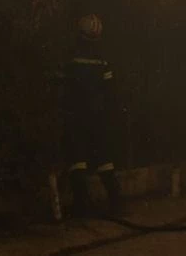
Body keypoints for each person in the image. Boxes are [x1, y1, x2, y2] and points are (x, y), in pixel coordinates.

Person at [62, 13, 123, 220]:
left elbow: (63, 86)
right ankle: (116, 203)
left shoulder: (71, 59)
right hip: (99, 117)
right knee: (104, 159)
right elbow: (111, 90)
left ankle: (82, 207)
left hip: (76, 115)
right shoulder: (102, 61)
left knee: (77, 159)